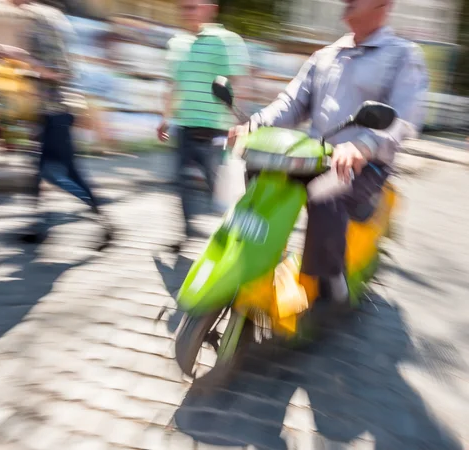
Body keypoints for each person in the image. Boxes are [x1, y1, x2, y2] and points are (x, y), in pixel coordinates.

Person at [230, 0, 428, 306]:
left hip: (366, 165)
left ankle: (329, 280)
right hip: (314, 156)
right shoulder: (326, 55)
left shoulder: (402, 55)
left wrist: (364, 145)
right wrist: (254, 124)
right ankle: (256, 257)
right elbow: (292, 103)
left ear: (383, 5)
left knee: (325, 195)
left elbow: (403, 119)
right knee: (258, 174)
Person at [7, 0, 112, 246]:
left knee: (58, 173)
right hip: (53, 111)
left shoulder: (37, 19)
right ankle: (39, 228)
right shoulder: (48, 16)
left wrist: (21, 58)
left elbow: (58, 70)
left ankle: (105, 222)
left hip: (56, 111)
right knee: (44, 172)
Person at [157, 0, 250, 252]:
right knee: (181, 183)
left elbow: (237, 81)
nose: (187, 12)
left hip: (216, 129)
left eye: (193, 6)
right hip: (185, 126)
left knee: (220, 189)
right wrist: (165, 117)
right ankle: (186, 232)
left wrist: (238, 124)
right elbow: (175, 84)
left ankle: (240, 239)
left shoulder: (226, 40)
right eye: (183, 7)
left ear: (211, 8)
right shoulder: (176, 44)